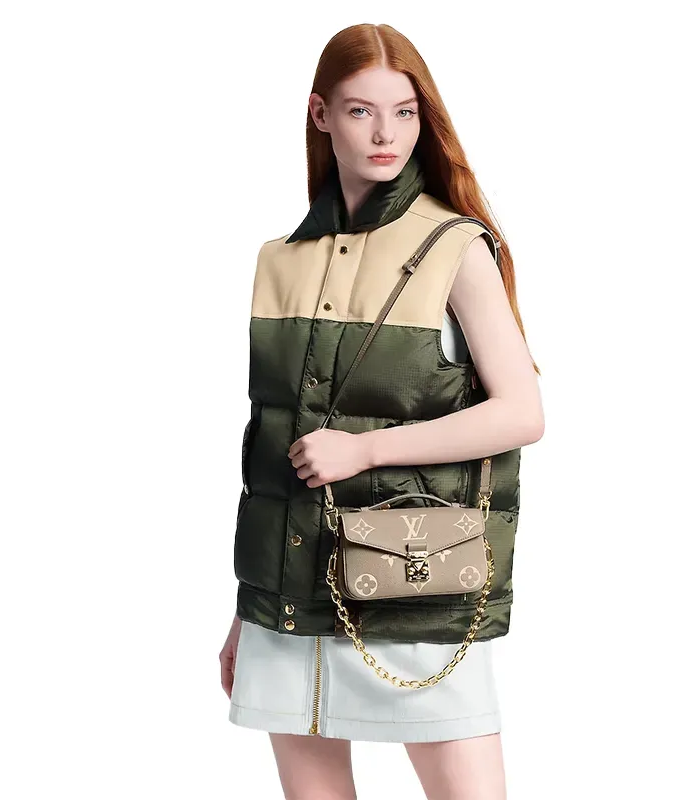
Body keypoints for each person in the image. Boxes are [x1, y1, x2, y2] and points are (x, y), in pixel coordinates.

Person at [219, 23, 543, 800]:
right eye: (361, 111)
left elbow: (522, 414)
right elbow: (271, 450)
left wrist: (366, 450)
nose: (385, 134)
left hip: (410, 580)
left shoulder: (455, 247)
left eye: (404, 113)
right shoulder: (279, 260)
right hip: (286, 596)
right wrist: (246, 608)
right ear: (321, 114)